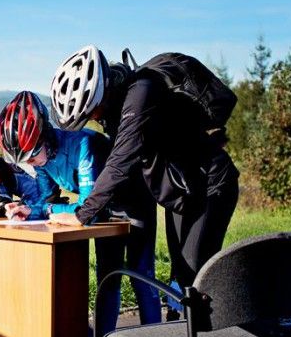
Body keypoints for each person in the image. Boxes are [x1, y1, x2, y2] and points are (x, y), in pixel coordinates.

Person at [48, 45, 239, 290]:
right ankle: (196, 313)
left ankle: (253, 299)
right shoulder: (116, 107)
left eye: (91, 113)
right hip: (182, 191)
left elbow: (120, 163)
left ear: (101, 94)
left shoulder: (141, 92)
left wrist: (80, 215)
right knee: (183, 276)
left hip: (211, 184)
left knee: (195, 274)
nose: (93, 119)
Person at [0, 91, 161, 337]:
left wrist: (49, 209)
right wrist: (26, 210)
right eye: (23, 160)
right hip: (102, 210)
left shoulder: (83, 143)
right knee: (107, 279)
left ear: (45, 136)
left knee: (141, 276)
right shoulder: (40, 160)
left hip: (133, 204)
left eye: (32, 156)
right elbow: (47, 201)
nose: (31, 163)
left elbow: (86, 210)